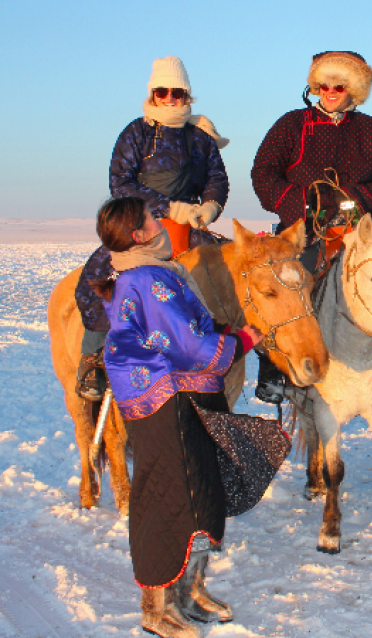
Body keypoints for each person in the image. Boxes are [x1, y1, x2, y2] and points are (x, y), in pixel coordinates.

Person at [92, 197, 263, 638]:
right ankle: (158, 608)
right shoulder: (149, 278)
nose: (160, 221)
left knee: (199, 489)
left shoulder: (153, 271)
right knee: (170, 498)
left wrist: (219, 330)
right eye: (152, 218)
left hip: (181, 395)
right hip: (167, 400)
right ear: (139, 234)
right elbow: (190, 347)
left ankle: (186, 594)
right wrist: (241, 340)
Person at [75, 55, 230, 402]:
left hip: (191, 225)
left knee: (241, 271)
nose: (170, 99)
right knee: (96, 276)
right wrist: (167, 208)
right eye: (163, 92)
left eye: (177, 92)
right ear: (153, 93)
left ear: (187, 95)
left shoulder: (200, 138)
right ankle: (93, 359)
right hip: (142, 225)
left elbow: (217, 179)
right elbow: (120, 182)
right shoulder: (136, 133)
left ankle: (256, 357)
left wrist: (209, 206)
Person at [250, 50, 372, 403]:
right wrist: (301, 202)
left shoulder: (371, 129)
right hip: (301, 226)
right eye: (325, 84)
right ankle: (276, 373)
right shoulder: (291, 124)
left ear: (354, 90)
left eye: (340, 85)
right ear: (316, 87)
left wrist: (356, 197)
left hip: (357, 224)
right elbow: (263, 171)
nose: (331, 91)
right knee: (285, 286)